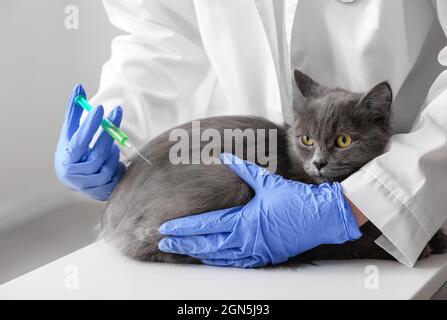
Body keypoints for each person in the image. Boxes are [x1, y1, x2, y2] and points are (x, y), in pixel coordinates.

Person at [55, 0, 447, 268]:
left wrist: (381, 195)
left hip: (419, 164)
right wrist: (115, 130)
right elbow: (160, 34)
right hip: (243, 160)